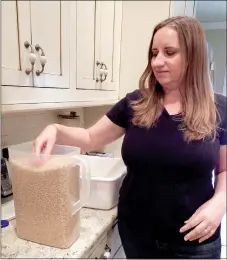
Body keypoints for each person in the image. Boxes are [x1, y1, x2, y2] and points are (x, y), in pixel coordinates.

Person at [34, 16, 226, 259]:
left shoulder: (219, 108)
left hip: (195, 241)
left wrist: (220, 202)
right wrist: (56, 129)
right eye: (154, 53)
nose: (157, 62)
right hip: (137, 235)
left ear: (193, 56)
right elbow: (90, 137)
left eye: (169, 52)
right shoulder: (135, 104)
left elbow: (224, 170)